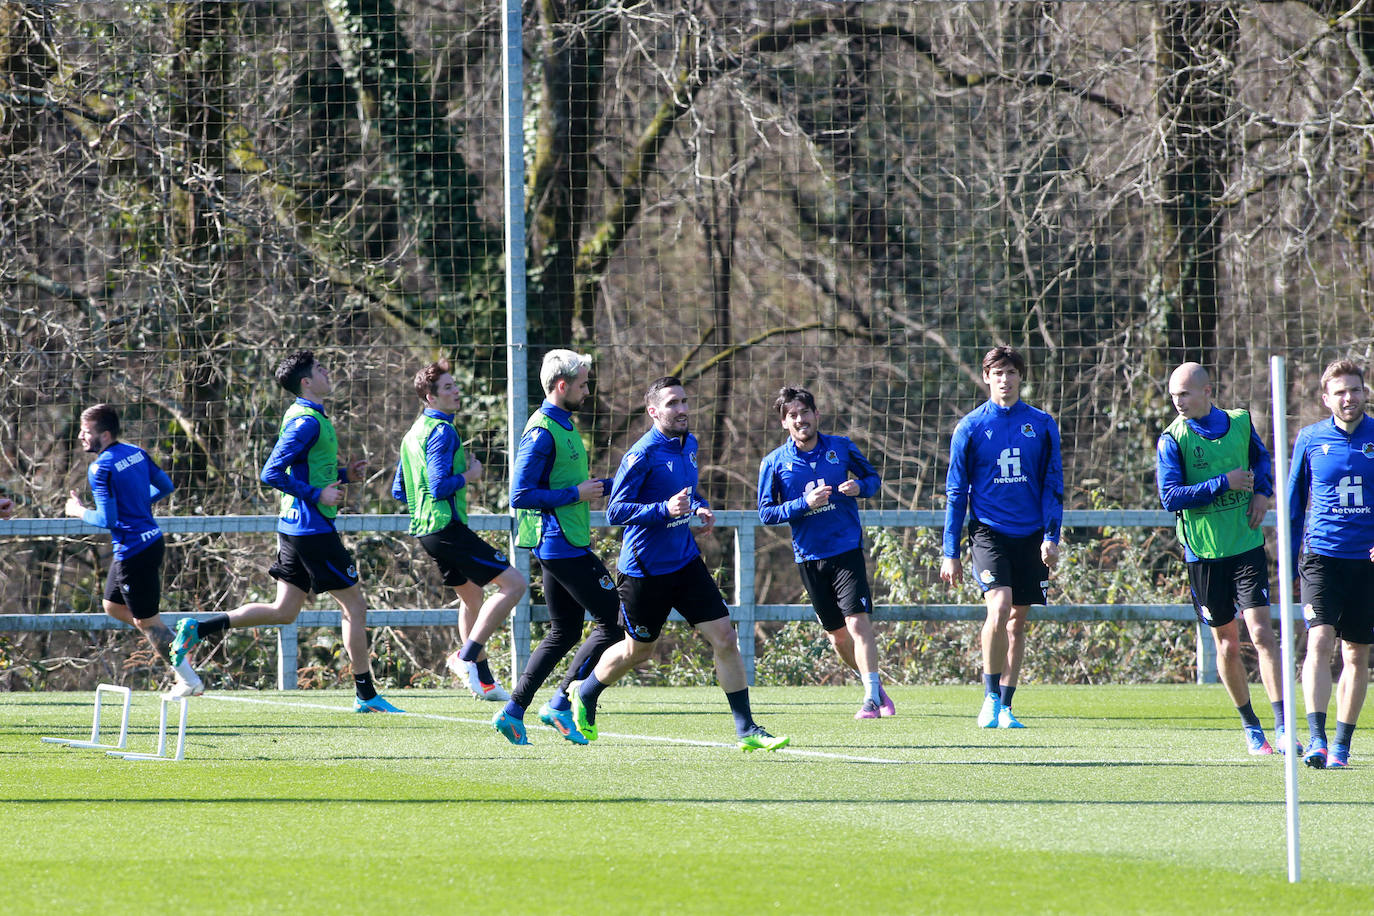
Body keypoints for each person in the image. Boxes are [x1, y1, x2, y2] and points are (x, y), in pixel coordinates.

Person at [170, 350, 399, 712]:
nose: (328, 372)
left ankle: (198, 628)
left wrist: (343, 476)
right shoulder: (305, 422)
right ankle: (366, 695)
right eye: (320, 369)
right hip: (311, 529)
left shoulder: (309, 416)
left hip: (295, 526)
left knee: (283, 611)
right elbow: (271, 473)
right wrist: (317, 495)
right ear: (306, 382)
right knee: (355, 605)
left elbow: (306, 469)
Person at [570, 376, 790, 752]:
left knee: (726, 637)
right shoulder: (640, 455)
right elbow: (615, 510)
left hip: (685, 562)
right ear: (653, 411)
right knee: (638, 652)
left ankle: (747, 730)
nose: (683, 409)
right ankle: (585, 692)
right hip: (644, 570)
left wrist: (700, 507)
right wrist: (664, 509)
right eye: (673, 403)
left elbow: (688, 491)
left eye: (685, 401)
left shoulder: (690, 444)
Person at [1157, 362, 1292, 755]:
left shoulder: (1240, 422)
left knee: (1262, 633)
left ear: (1207, 391)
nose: (1178, 402)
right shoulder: (1172, 439)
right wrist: (1223, 483)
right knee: (1228, 645)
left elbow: (1261, 460)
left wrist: (1262, 493)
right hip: (1203, 553)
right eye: (1173, 395)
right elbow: (1170, 497)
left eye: (1184, 393)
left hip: (1245, 544)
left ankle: (1284, 726)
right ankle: (1252, 727)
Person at [491, 349, 623, 745]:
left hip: (566, 542)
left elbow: (571, 484)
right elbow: (520, 495)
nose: (587, 391)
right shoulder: (542, 431)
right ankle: (561, 702)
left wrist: (612, 484)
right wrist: (575, 494)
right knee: (615, 622)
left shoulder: (563, 425)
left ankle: (514, 711)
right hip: (560, 544)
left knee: (565, 631)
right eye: (583, 384)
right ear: (562, 386)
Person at [390, 359, 526, 706]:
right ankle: (464, 657)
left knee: (472, 598)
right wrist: (470, 476)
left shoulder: (412, 434)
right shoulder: (442, 431)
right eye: (448, 387)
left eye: (455, 385)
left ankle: (485, 682)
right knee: (514, 584)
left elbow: (399, 490)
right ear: (430, 397)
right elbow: (438, 487)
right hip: (446, 527)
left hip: (426, 530)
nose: (457, 391)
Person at [940, 345, 1062, 729]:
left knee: (1016, 621)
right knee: (999, 605)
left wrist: (1051, 535)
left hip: (1031, 534)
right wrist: (950, 551)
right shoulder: (970, 427)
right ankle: (990, 697)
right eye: (998, 373)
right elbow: (956, 492)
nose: (1004, 380)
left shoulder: (1041, 424)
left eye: (1011, 372)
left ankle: (1007, 706)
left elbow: (1053, 483)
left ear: (1020, 376)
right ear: (986, 377)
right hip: (988, 530)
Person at [757, 385, 893, 720]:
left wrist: (860, 487)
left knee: (857, 622)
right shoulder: (773, 463)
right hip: (809, 556)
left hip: (846, 548)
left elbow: (873, 479)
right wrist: (804, 503)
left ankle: (870, 699)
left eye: (805, 412)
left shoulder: (841, 447)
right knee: (838, 637)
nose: (800, 419)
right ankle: (875, 688)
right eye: (792, 415)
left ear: (816, 414)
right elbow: (766, 513)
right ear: (784, 423)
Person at [65, 404, 202, 696]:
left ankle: (189, 680)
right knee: (111, 605)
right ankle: (167, 636)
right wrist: (137, 505)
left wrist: (78, 510)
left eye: (86, 432)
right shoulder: (136, 453)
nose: (80, 436)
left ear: (105, 434)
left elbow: (107, 520)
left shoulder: (100, 468)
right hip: (149, 542)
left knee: (147, 622)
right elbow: (165, 486)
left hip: (134, 551)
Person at [1287, 358, 1374, 769]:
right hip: (1321, 557)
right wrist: (1289, 562)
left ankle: (1341, 745)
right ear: (1326, 399)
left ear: (1365, 392)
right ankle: (1316, 739)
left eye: (1354, 389)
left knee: (1356, 653)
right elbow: (1292, 506)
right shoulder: (1309, 439)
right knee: (1319, 641)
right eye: (1340, 392)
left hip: (1366, 563)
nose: (1348, 398)